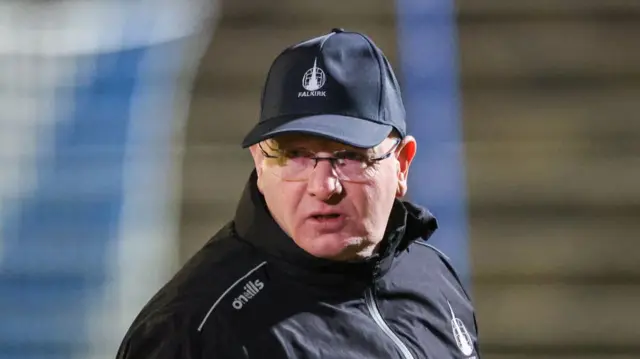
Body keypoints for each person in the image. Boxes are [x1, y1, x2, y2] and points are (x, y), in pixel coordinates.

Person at [116, 28, 481, 359]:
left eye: (351, 156)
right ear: (260, 163)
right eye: (295, 156)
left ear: (401, 164)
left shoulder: (430, 275)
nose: (323, 186)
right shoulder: (191, 332)